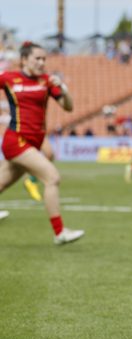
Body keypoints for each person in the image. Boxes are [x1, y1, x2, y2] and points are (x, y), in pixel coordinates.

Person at [0, 41, 84, 244]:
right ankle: (60, 232)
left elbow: (69, 107)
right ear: (24, 59)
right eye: (37, 58)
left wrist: (63, 88)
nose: (41, 62)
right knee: (52, 178)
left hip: (33, 142)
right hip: (16, 140)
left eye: (44, 59)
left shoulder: (47, 81)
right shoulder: (9, 78)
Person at [22, 136, 55, 202]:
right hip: (22, 131)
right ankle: (31, 181)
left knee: (49, 154)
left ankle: (32, 181)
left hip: (36, 130)